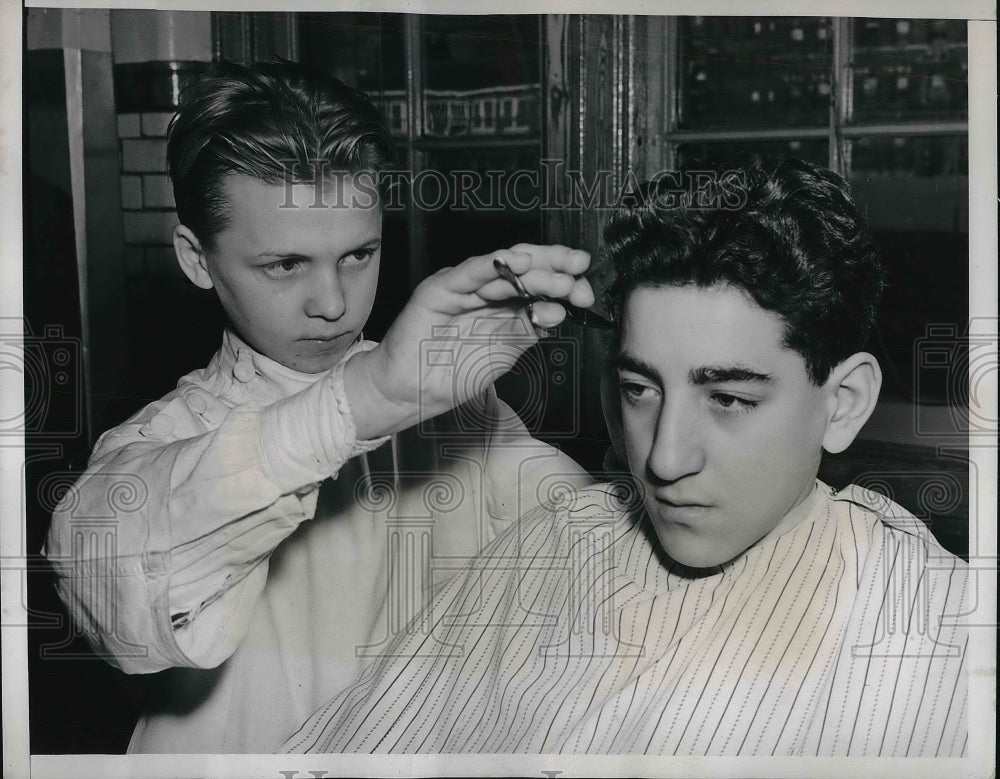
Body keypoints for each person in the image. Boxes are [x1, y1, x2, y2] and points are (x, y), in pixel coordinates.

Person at [282, 159, 968, 757]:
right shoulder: (553, 541)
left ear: (843, 402)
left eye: (727, 398)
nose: (664, 459)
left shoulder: (938, 632)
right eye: (640, 388)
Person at [43, 60, 596, 753]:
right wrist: (367, 400)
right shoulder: (160, 442)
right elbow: (102, 577)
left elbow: (588, 546)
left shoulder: (455, 407)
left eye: (359, 254)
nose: (332, 303)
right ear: (195, 258)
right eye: (286, 265)